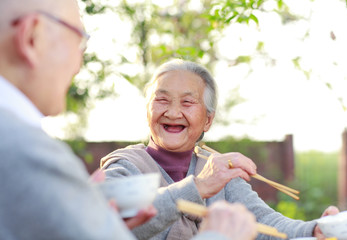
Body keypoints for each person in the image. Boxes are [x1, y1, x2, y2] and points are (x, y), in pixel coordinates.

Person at [0, 0, 259, 239]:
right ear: (32, 38)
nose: (79, 64)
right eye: (78, 40)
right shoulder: (25, 151)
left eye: (188, 102)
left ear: (208, 120)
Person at [100, 59, 340, 240]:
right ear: (147, 111)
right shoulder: (125, 166)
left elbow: (263, 222)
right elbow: (110, 225)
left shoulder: (216, 169)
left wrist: (313, 229)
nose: (173, 112)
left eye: (187, 102)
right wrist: (198, 187)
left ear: (208, 120)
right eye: (161, 100)